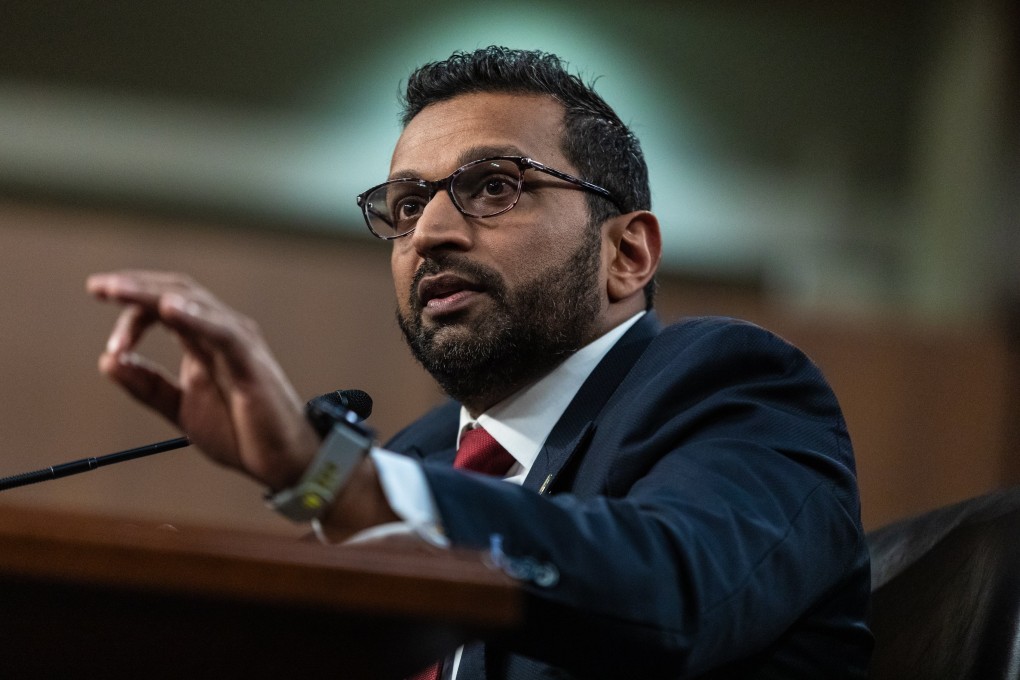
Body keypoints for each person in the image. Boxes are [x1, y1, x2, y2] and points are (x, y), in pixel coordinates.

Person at [87, 47, 871, 679]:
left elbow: (673, 592)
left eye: (493, 187)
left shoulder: (732, 387)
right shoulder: (422, 458)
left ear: (626, 252)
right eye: (405, 205)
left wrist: (329, 473)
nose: (427, 233)